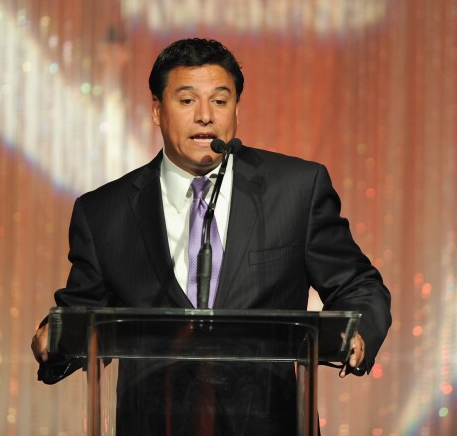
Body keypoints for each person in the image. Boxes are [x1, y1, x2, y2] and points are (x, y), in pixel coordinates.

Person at [31, 38, 391, 434]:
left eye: (220, 101)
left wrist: (356, 335)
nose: (205, 116)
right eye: (187, 101)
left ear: (236, 108)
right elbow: (82, 310)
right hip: (155, 422)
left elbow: (358, 284)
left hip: (268, 420)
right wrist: (54, 338)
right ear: (156, 110)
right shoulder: (105, 212)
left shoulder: (295, 191)